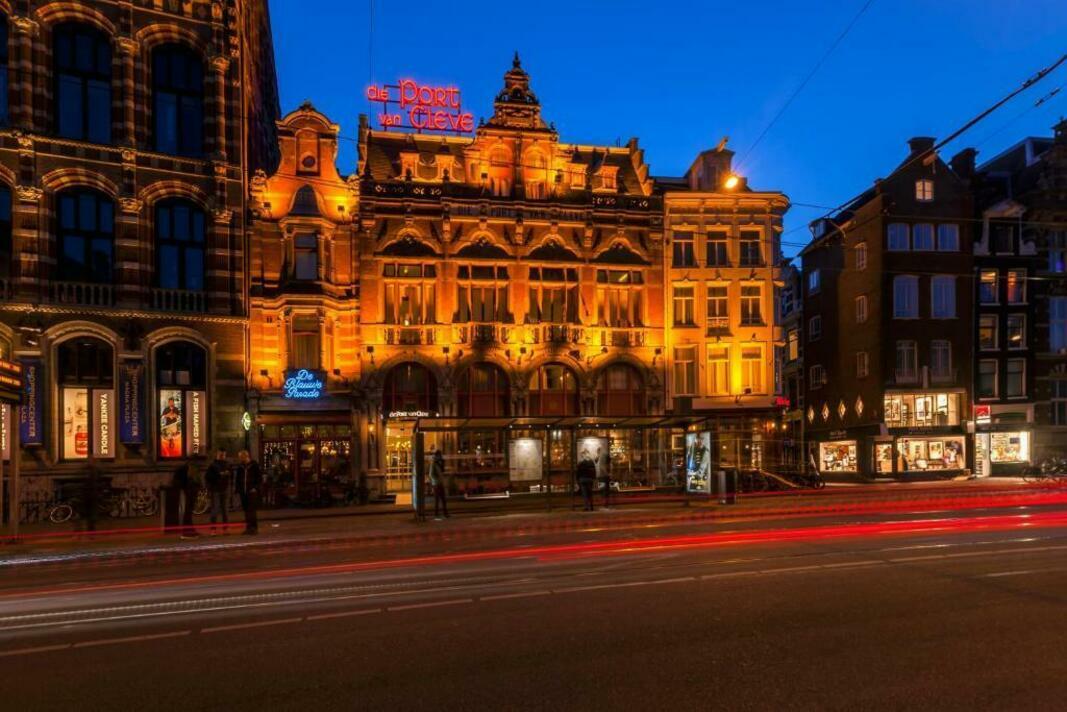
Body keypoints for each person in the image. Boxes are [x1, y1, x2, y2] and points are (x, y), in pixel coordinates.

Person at [235, 450, 262, 535]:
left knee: (251, 510)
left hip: (252, 491)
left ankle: (254, 528)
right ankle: (248, 527)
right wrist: (238, 489)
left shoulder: (254, 466)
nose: (240, 459)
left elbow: (259, 478)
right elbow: (238, 479)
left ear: (245, 456)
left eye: (241, 457)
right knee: (246, 510)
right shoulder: (240, 467)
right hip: (243, 491)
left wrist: (255, 488)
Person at [204, 449, 230, 534]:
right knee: (215, 509)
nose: (222, 456)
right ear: (217, 455)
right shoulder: (213, 465)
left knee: (225, 510)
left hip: (224, 489)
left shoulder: (227, 464)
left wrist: (227, 475)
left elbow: (231, 475)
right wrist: (219, 475)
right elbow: (208, 477)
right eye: (221, 455)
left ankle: (225, 528)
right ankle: (213, 529)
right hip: (216, 490)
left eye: (223, 455)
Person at [172, 461, 200, 539]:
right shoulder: (186, 474)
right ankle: (187, 532)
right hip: (187, 493)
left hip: (188, 493)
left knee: (188, 513)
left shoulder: (186, 473)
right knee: (187, 513)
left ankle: (189, 531)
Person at [429, 448, 449, 520]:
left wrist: (443, 463)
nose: (440, 457)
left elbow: (442, 472)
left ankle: (445, 513)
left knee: (443, 499)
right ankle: (436, 514)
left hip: (440, 483)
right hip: (436, 484)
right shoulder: (433, 463)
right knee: (437, 500)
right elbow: (431, 474)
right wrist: (436, 480)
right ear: (437, 456)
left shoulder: (439, 463)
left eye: (441, 455)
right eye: (439, 455)